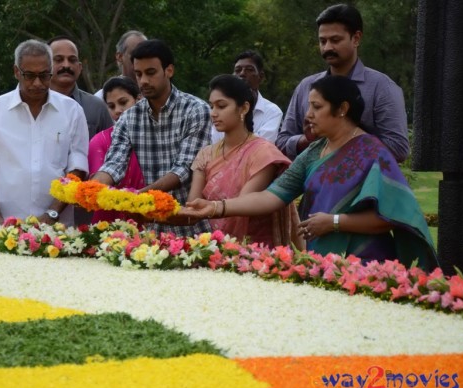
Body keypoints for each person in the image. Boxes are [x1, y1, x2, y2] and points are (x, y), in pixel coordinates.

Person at [182, 76, 437, 270]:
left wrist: (335, 222)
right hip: (321, 265)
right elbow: (272, 197)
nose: (308, 115)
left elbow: (394, 217)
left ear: (342, 109)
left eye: (316, 107)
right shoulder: (314, 152)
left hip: (368, 266)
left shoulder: (371, 151)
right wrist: (215, 207)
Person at [93, 39, 212, 236]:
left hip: (191, 223)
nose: (143, 81)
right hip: (150, 228)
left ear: (169, 71)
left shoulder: (196, 110)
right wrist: (92, 188)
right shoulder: (130, 116)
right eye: (138, 74)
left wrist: (139, 197)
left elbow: (183, 170)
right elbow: (114, 164)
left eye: (151, 73)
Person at [0, 39, 89, 226]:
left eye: (44, 75)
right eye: (30, 75)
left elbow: (77, 169)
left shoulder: (72, 111)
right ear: (17, 72)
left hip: (56, 229)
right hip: (2, 226)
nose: (37, 83)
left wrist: (52, 214)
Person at [275, 4, 409, 163]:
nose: (327, 47)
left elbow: (398, 148)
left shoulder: (381, 86)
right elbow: (282, 142)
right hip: (312, 183)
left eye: (335, 40)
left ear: (356, 38)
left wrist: (342, 138)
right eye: (322, 41)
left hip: (364, 184)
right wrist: (307, 140)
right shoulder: (306, 86)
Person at [190, 75, 303, 248]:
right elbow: (193, 206)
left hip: (257, 253)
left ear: (243, 108)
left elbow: (243, 204)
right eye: (211, 106)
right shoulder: (205, 155)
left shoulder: (263, 153)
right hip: (212, 248)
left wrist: (211, 208)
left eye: (221, 106)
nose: (213, 113)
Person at [88, 76, 145, 223]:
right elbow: (98, 188)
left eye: (123, 102)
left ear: (139, 99)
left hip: (150, 217)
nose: (118, 110)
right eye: (111, 106)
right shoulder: (99, 141)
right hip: (109, 225)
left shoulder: (155, 138)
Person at [47, 36, 113, 139]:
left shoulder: (97, 107)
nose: (66, 65)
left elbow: (111, 148)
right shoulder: (34, 105)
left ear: (80, 67)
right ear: (45, 65)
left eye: (72, 60)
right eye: (59, 59)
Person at [211, 50, 282, 143]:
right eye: (237, 70)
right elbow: (216, 144)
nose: (242, 74)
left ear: (261, 76)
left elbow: (259, 147)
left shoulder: (272, 112)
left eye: (249, 70)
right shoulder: (220, 110)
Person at [94, 30, 147, 98]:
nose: (142, 59)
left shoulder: (158, 95)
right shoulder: (102, 98)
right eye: (136, 53)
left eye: (146, 54)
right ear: (119, 57)